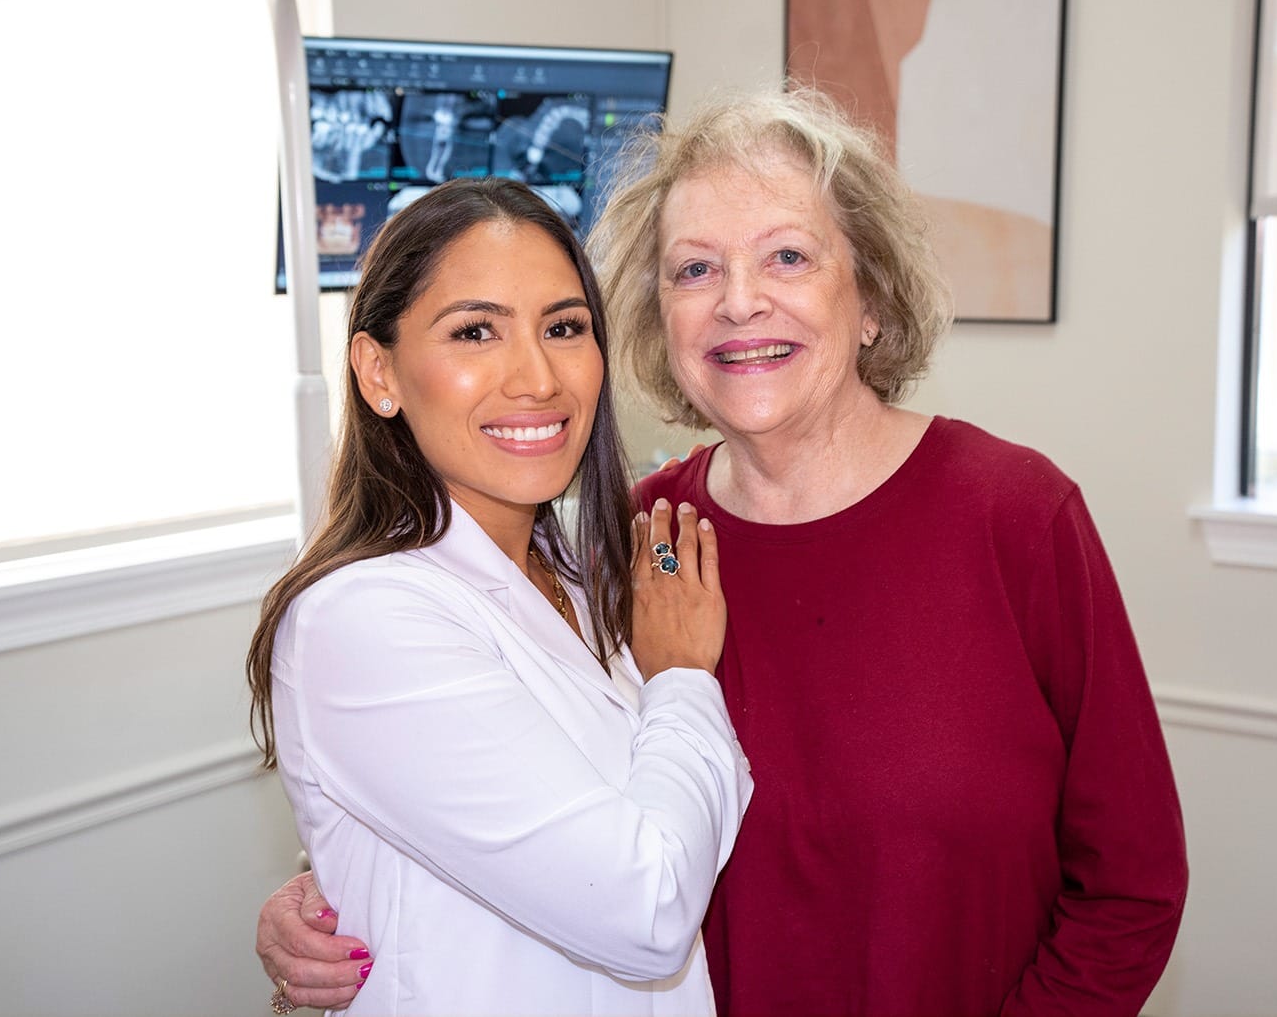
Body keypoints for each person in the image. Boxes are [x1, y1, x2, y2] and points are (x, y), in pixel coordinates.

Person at [257, 88, 1188, 1016]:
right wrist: (337, 877)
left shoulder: (1015, 517)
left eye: (788, 255)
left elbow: (1131, 885)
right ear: (658, 317)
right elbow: (512, 795)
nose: (740, 301)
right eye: (696, 269)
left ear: (870, 295)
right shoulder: (641, 545)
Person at [247, 176, 753, 1016]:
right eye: (475, 331)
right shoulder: (362, 618)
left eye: (563, 327)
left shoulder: (584, 569)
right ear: (378, 371)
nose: (536, 377)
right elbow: (647, 908)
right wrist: (682, 677)